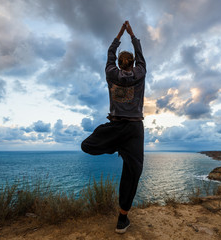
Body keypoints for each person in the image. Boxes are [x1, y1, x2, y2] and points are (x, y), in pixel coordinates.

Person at [81, 21, 146, 234]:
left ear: (118, 63)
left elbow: (110, 52)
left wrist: (119, 34)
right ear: (133, 63)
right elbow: (139, 52)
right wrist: (132, 34)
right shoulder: (140, 73)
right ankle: (122, 219)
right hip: (134, 130)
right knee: (132, 173)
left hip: (116, 126)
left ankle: (113, 145)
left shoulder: (111, 73)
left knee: (87, 145)